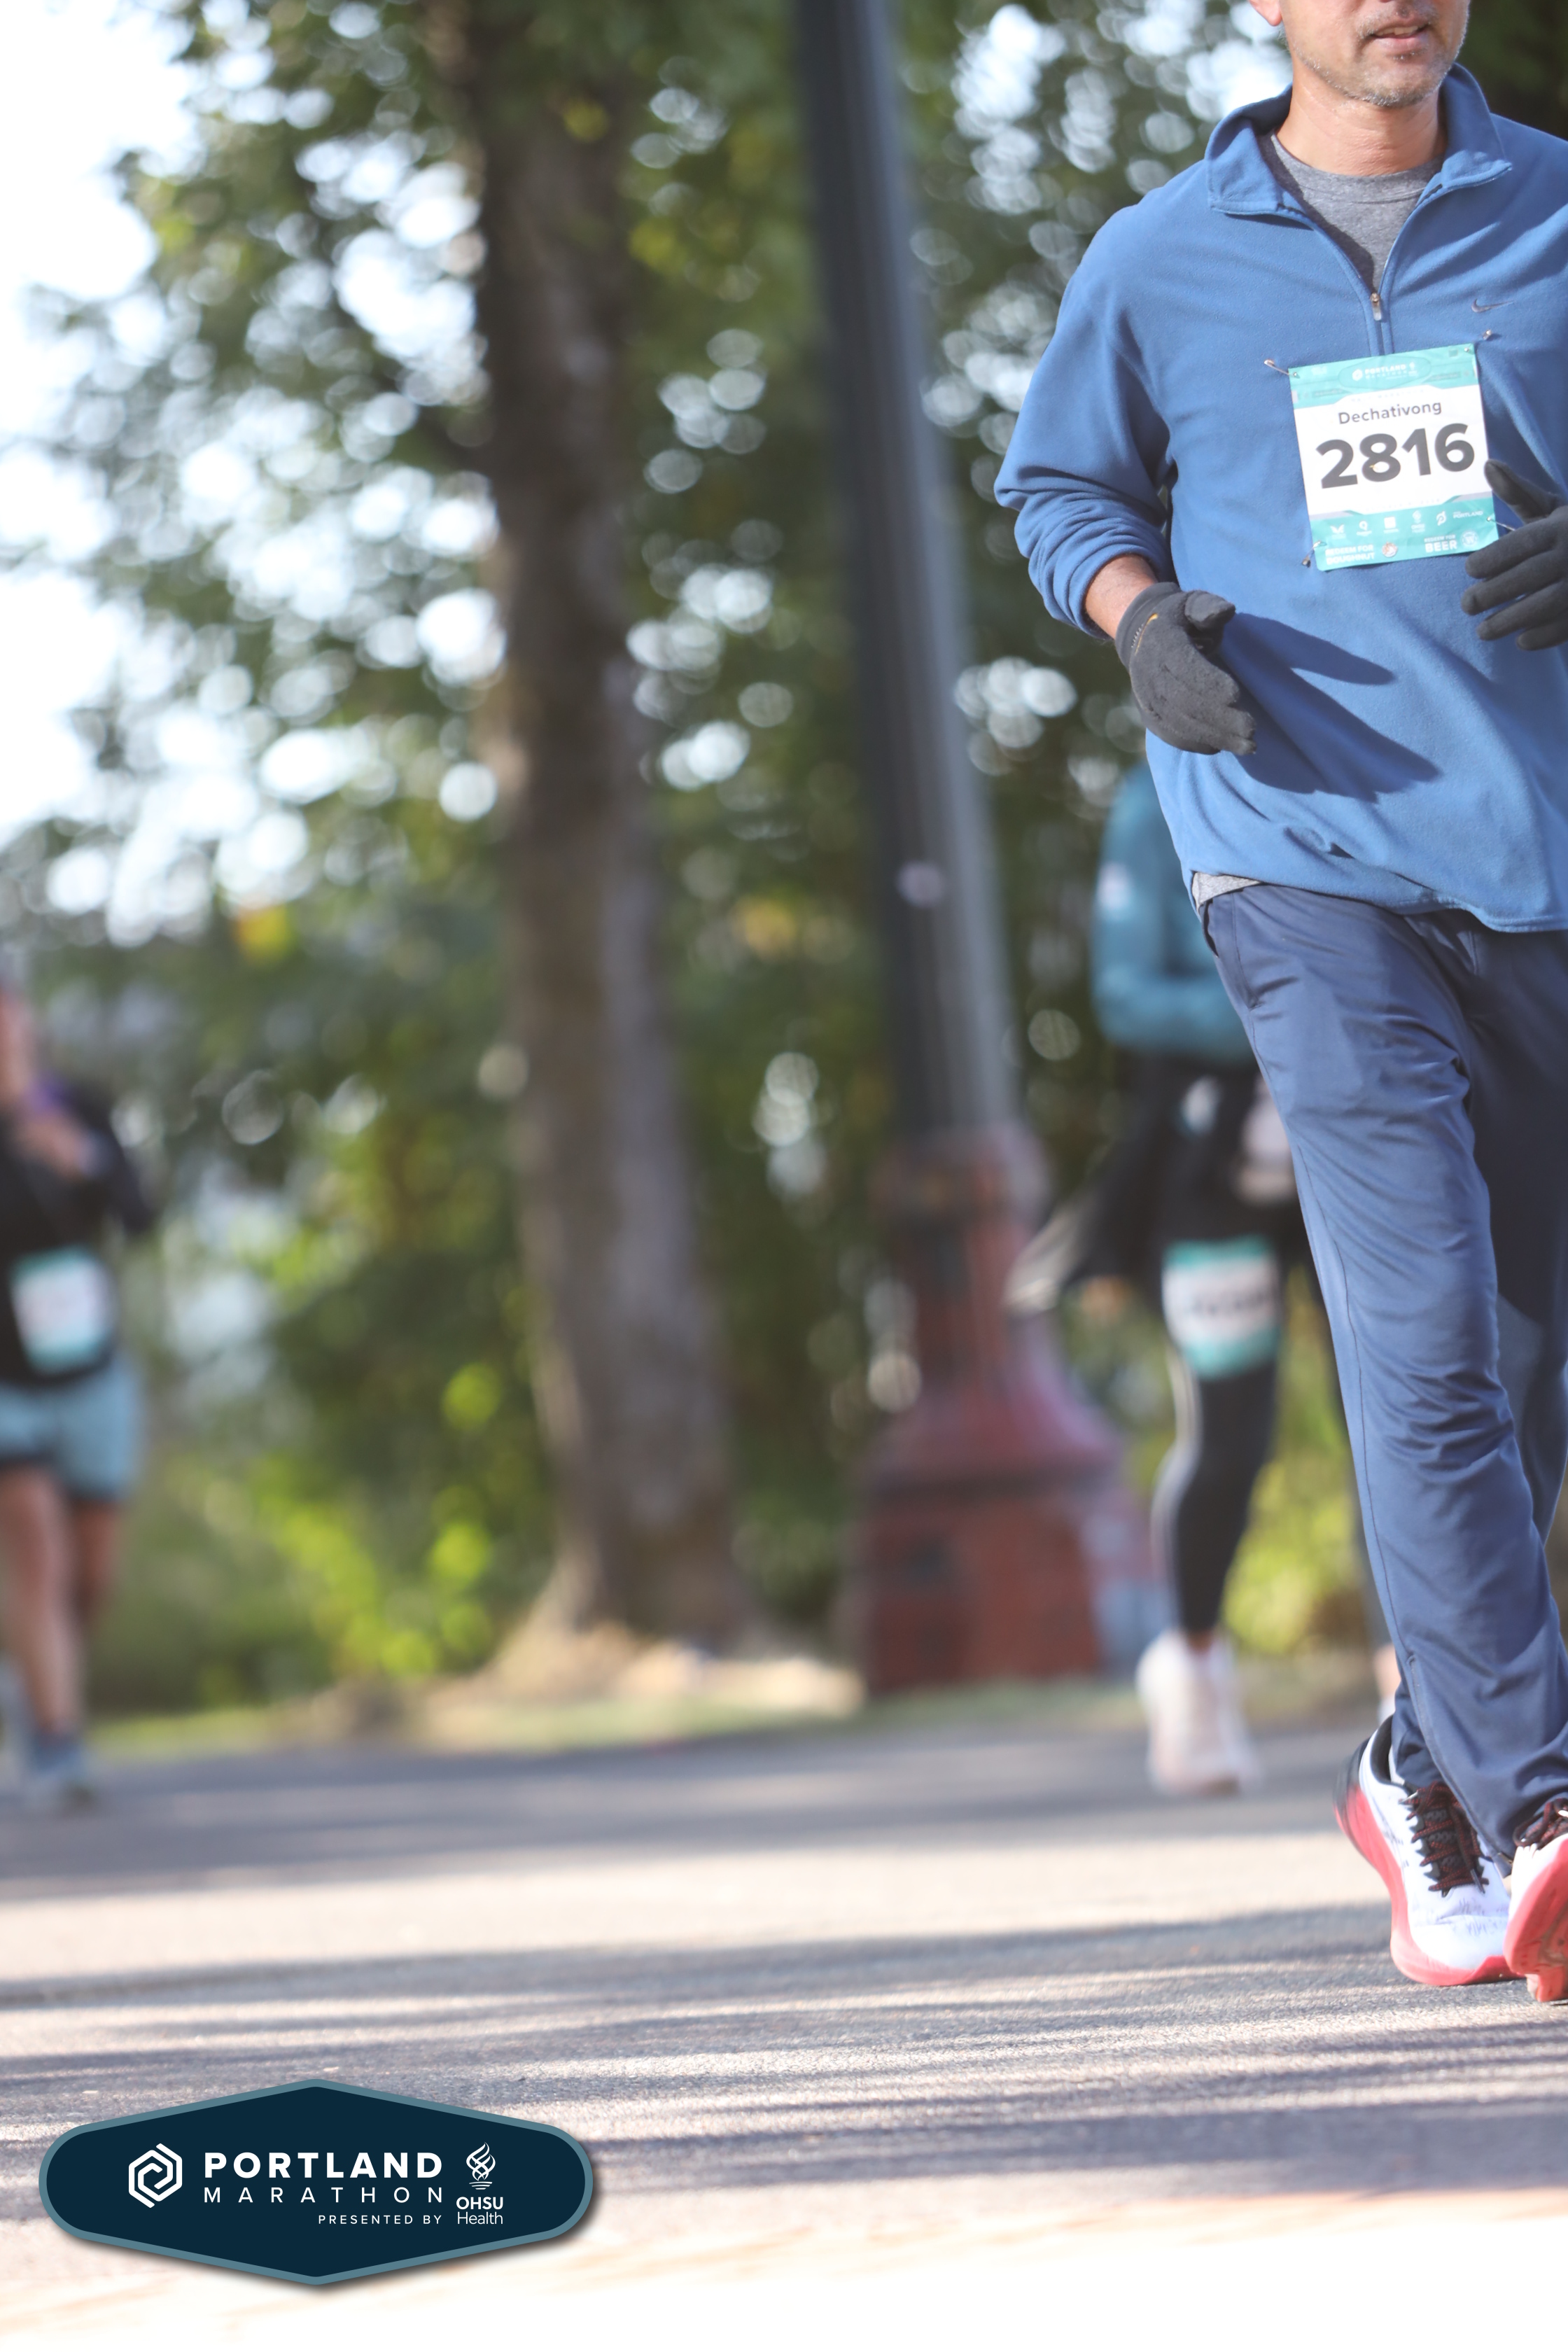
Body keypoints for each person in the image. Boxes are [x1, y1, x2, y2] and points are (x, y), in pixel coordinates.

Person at [997, 0, 1568, 1996]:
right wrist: (1139, 617)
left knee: (1523, 1364)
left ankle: (1422, 1764)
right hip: (1299, 862)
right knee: (1421, 1338)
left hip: (1542, 861)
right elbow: (1059, 491)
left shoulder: (1560, 212)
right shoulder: (1161, 256)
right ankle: (1543, 1803)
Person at [1062, 763, 1397, 1795]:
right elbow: (1124, 993)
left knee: (1395, 1422)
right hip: (1213, 1169)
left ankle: (1422, 1695)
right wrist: (1282, 1002)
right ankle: (1193, 1664)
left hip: (1360, 1144)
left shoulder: (1353, 765)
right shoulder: (1149, 798)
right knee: (1228, 1432)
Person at [0, 982, 153, 1806]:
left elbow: (140, 1216)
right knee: (35, 1545)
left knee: (90, 1575)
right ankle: (58, 1744)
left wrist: (81, 1163)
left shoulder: (79, 1108)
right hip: (6, 1379)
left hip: (90, 1369)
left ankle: (34, 1682)